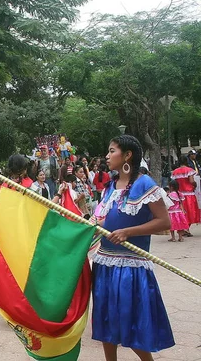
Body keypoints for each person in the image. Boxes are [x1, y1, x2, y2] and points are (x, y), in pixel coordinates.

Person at [91, 135, 174, 361]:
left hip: (130, 268)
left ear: (127, 155)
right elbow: (102, 220)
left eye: (112, 151)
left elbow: (164, 222)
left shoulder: (144, 184)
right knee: (106, 324)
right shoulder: (109, 187)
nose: (107, 156)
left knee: (132, 323)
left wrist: (129, 232)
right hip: (104, 264)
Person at [171, 155, 200, 236]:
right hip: (189, 194)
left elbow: (173, 183)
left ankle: (183, 228)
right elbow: (191, 181)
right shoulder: (189, 170)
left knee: (181, 212)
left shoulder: (175, 172)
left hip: (179, 194)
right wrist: (195, 184)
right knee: (190, 212)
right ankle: (186, 228)